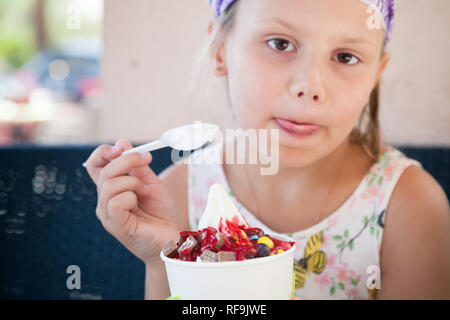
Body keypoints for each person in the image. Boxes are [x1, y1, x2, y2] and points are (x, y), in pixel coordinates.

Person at [84, 0, 450, 299]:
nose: (310, 86)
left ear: (376, 74)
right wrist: (168, 263)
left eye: (345, 57)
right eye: (280, 44)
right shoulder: (176, 198)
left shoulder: (411, 209)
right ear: (220, 50)